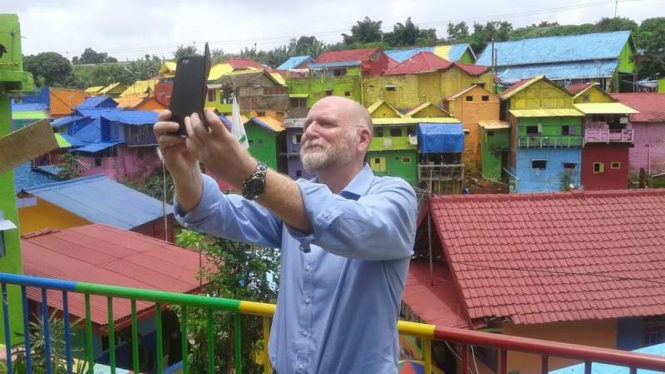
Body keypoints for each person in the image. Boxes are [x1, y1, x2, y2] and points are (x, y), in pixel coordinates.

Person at [153, 96, 417, 374]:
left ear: (362, 139)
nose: (310, 132)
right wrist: (183, 168)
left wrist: (247, 171)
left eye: (325, 124)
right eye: (307, 125)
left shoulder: (395, 197)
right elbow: (211, 212)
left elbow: (351, 223)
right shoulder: (288, 203)